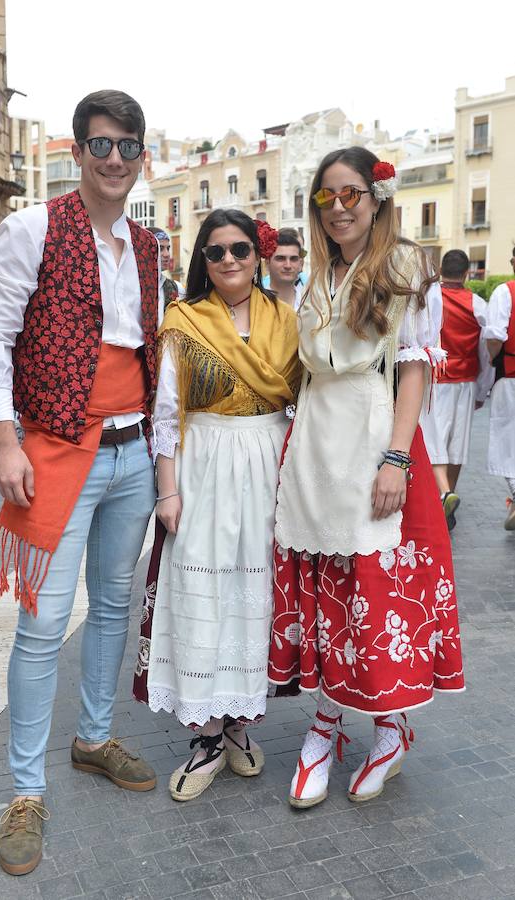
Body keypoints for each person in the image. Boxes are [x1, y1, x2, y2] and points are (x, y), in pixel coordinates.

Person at [0, 90, 162, 876]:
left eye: (127, 147)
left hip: (133, 454)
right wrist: (4, 442)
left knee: (112, 605)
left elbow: (153, 354)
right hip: (53, 450)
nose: (113, 159)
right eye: (100, 145)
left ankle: (90, 739)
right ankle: (24, 791)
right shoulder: (32, 226)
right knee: (43, 624)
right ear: (76, 153)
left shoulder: (147, 247)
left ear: (141, 157)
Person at [269, 148, 464, 808]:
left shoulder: (401, 264)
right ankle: (327, 727)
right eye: (326, 198)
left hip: (373, 435)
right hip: (317, 440)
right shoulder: (318, 274)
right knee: (328, 591)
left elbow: (413, 368)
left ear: (375, 198)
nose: (339, 208)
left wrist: (397, 457)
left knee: (374, 594)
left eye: (350, 194)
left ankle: (383, 729)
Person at [133, 209, 301, 801]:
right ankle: (205, 734)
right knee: (201, 589)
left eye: (239, 249)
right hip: (203, 463)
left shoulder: (287, 319)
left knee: (252, 596)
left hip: (267, 463)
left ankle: (238, 725)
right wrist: (168, 489)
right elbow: (165, 413)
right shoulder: (183, 319)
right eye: (215, 251)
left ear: (258, 254)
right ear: (202, 261)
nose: (229, 260)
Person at [419, 250, 494, 530]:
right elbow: (485, 351)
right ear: (466, 274)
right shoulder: (478, 303)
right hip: (466, 380)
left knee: (432, 442)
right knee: (456, 446)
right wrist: (482, 389)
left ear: (440, 270)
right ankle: (448, 496)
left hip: (435, 378)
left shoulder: (429, 298)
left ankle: (440, 495)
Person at [485, 247, 515, 530]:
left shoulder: (505, 293)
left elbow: (494, 336)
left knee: (508, 440)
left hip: (511, 374)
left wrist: (490, 362)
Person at [267, 227, 306, 310]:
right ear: (267, 263)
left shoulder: (312, 303)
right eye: (280, 258)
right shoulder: (255, 303)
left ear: (301, 263)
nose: (288, 265)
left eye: (293, 259)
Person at [147, 226, 185, 306]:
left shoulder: (177, 288)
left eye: (168, 248)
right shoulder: (133, 287)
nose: (167, 254)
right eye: (160, 248)